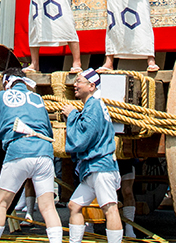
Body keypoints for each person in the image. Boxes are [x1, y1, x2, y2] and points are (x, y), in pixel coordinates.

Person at [0, 69, 64, 243]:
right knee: (48, 207)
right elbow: (48, 130)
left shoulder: (2, 97)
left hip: (19, 150)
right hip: (43, 152)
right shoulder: (38, 99)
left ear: (7, 83)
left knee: (1, 203)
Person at [62, 69, 122, 243]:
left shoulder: (94, 105)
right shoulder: (93, 105)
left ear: (91, 86)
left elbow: (85, 135)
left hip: (101, 166)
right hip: (92, 167)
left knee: (110, 209)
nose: (75, 84)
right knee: (74, 206)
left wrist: (72, 114)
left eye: (79, 81)